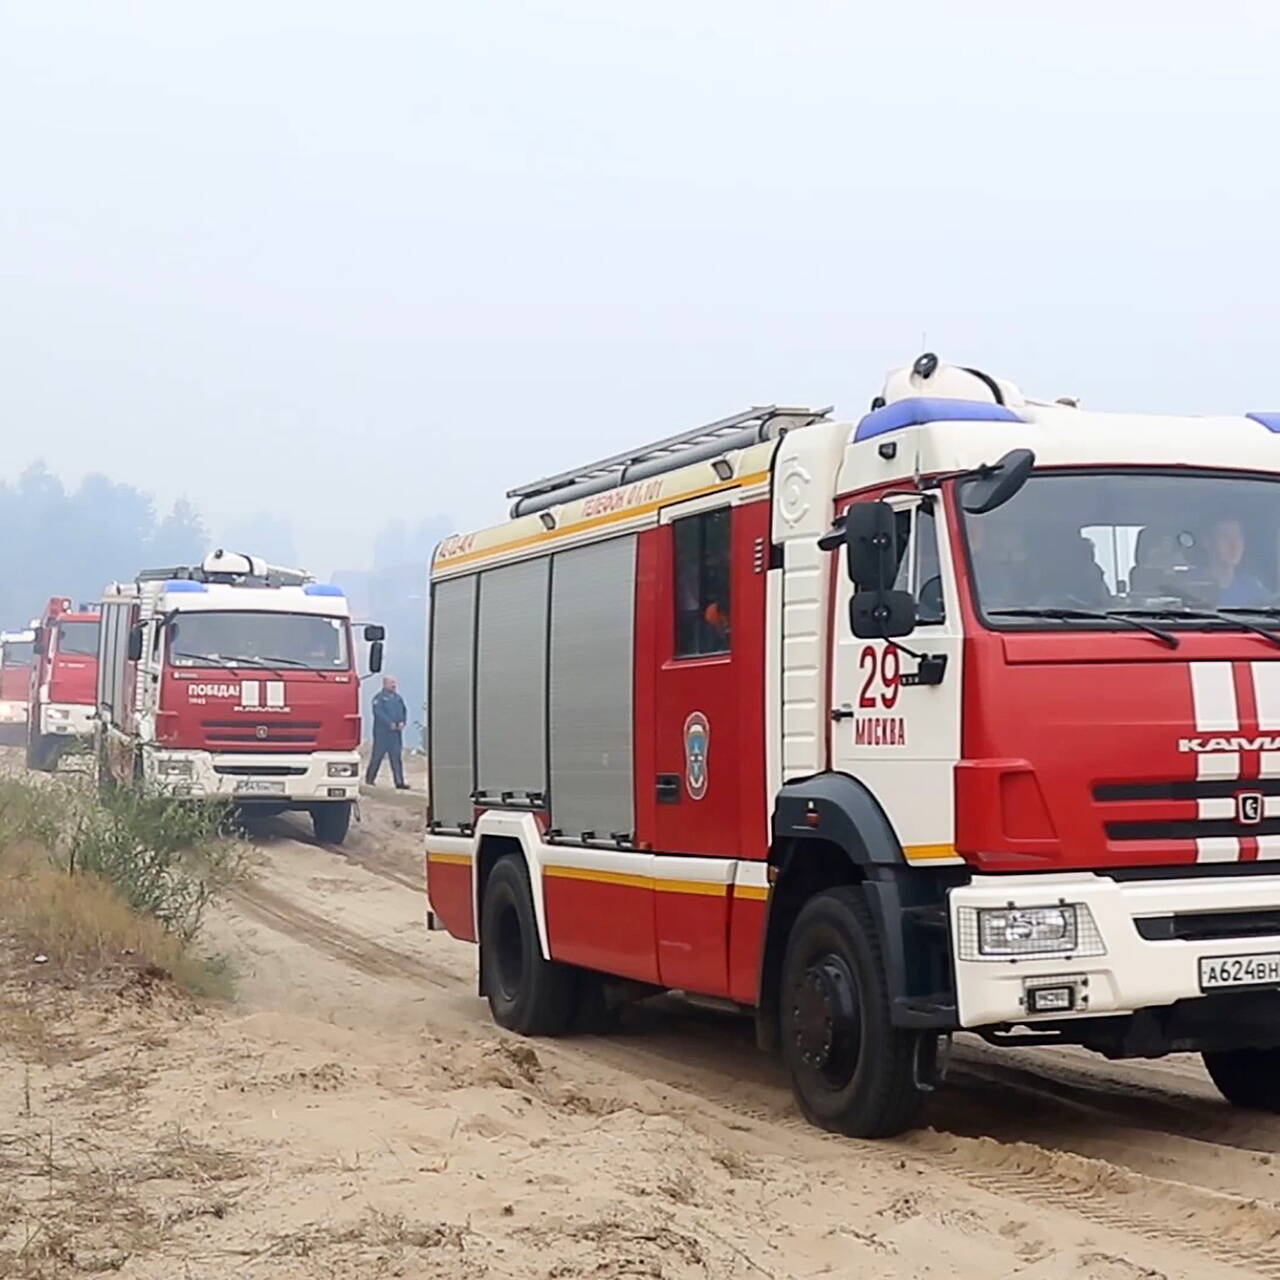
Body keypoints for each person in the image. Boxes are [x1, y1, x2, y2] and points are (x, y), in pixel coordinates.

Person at [1205, 517, 1268, 607]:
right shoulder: (1192, 587)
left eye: (1238, 538)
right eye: (1225, 538)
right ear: (1208, 543)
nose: (1233, 545)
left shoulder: (1254, 589)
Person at [367, 675, 408, 789]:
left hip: (395, 734)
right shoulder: (379, 698)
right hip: (382, 734)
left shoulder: (398, 698)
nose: (394, 685)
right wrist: (389, 723)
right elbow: (378, 713)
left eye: (395, 683)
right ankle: (370, 779)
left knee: (396, 758)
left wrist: (402, 722)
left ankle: (399, 782)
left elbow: (404, 711)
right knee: (377, 757)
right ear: (385, 684)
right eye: (391, 683)